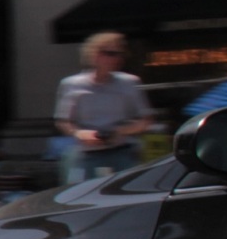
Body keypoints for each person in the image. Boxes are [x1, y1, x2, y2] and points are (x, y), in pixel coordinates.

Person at [53, 31, 153, 185]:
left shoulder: (129, 82)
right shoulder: (72, 84)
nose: (116, 59)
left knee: (129, 194)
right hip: (86, 153)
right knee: (76, 195)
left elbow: (145, 119)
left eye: (120, 54)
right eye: (110, 53)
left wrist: (119, 131)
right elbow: (63, 121)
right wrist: (79, 133)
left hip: (122, 151)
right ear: (93, 54)